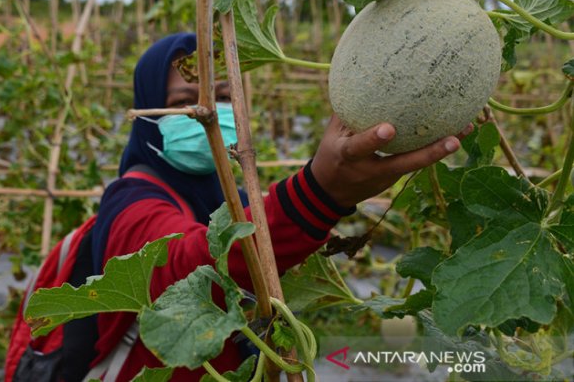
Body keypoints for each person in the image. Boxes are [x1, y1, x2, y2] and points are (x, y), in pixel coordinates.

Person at [79, 32, 466, 380]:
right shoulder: (130, 199)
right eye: (184, 101)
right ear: (148, 113)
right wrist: (319, 193)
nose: (210, 111)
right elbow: (183, 267)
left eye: (226, 96)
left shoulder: (232, 194)